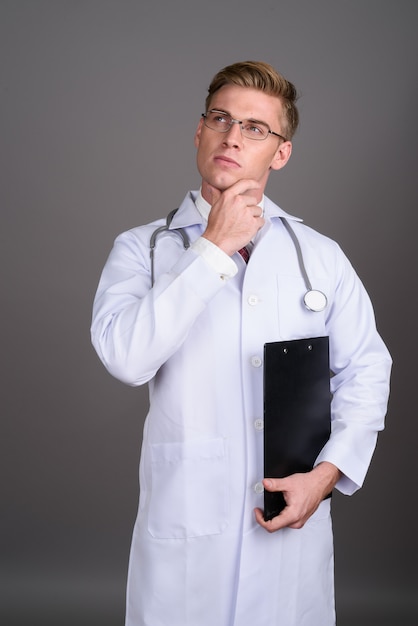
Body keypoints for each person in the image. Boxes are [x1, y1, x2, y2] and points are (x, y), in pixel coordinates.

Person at [91, 61, 392, 626]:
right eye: (220, 118)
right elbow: (126, 359)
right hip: (188, 530)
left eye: (255, 128)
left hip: (290, 526)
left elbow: (367, 370)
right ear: (199, 131)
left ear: (280, 153)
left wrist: (326, 475)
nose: (232, 136)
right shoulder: (142, 249)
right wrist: (212, 247)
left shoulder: (320, 256)